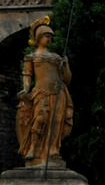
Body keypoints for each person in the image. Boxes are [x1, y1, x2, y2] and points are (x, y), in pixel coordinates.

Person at [17, 22, 73, 165]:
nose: (49, 39)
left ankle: (53, 150)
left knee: (57, 122)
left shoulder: (56, 57)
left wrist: (65, 65)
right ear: (39, 37)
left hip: (59, 92)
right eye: (46, 36)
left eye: (50, 37)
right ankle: (33, 149)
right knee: (40, 119)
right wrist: (26, 89)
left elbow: (66, 78)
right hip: (41, 92)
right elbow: (27, 74)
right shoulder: (32, 56)